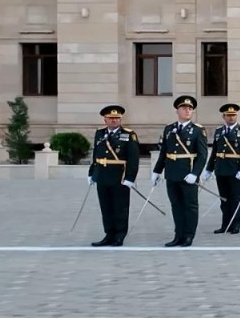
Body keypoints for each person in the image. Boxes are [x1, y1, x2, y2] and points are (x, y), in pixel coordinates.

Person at [151, 95, 209, 248]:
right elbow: (164, 152)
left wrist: (195, 174)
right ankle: (178, 235)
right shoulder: (169, 129)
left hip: (188, 174)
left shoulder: (198, 130)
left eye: (190, 108)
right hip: (172, 173)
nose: (187, 110)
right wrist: (157, 171)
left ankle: (189, 235)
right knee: (176, 205)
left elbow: (203, 156)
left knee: (190, 206)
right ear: (177, 110)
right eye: (184, 108)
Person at [87, 105, 140, 247]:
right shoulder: (100, 133)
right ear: (105, 119)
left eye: (117, 118)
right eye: (111, 118)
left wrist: (130, 178)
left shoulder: (129, 135)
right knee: (106, 207)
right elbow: (96, 155)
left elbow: (133, 158)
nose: (114, 121)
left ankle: (120, 235)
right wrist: (91, 173)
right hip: (102, 176)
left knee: (120, 207)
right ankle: (108, 234)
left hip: (119, 177)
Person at [205, 103, 240, 235]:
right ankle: (225, 224)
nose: (231, 118)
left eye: (233, 115)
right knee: (224, 199)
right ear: (223, 116)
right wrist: (209, 168)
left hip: (236, 171)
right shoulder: (219, 132)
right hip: (221, 169)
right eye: (228, 115)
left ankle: (236, 224)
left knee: (236, 199)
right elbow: (215, 152)